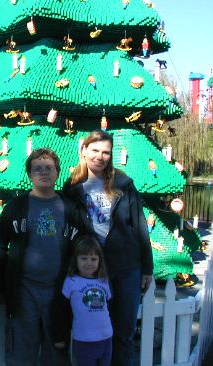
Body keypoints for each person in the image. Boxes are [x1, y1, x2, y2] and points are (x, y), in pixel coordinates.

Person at [63, 131, 153, 366]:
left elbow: (140, 225)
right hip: (91, 269)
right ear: (83, 151)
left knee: (123, 332)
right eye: (94, 151)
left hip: (125, 266)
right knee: (95, 330)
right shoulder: (73, 188)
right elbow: (68, 228)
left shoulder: (123, 184)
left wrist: (147, 267)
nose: (100, 157)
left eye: (105, 152)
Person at [0, 147, 81, 366]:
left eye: (49, 168)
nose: (43, 172)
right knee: (23, 352)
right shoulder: (16, 207)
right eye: (37, 168)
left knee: (56, 351)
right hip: (24, 291)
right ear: (30, 174)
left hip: (59, 292)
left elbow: (86, 246)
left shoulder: (70, 209)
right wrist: (1, 285)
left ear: (57, 173)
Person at [54, 234, 112, 366]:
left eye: (93, 259)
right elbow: (60, 311)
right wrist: (59, 336)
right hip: (83, 340)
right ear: (76, 260)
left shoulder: (103, 281)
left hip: (106, 338)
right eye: (84, 258)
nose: (89, 263)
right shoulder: (71, 281)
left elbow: (109, 308)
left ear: (99, 261)